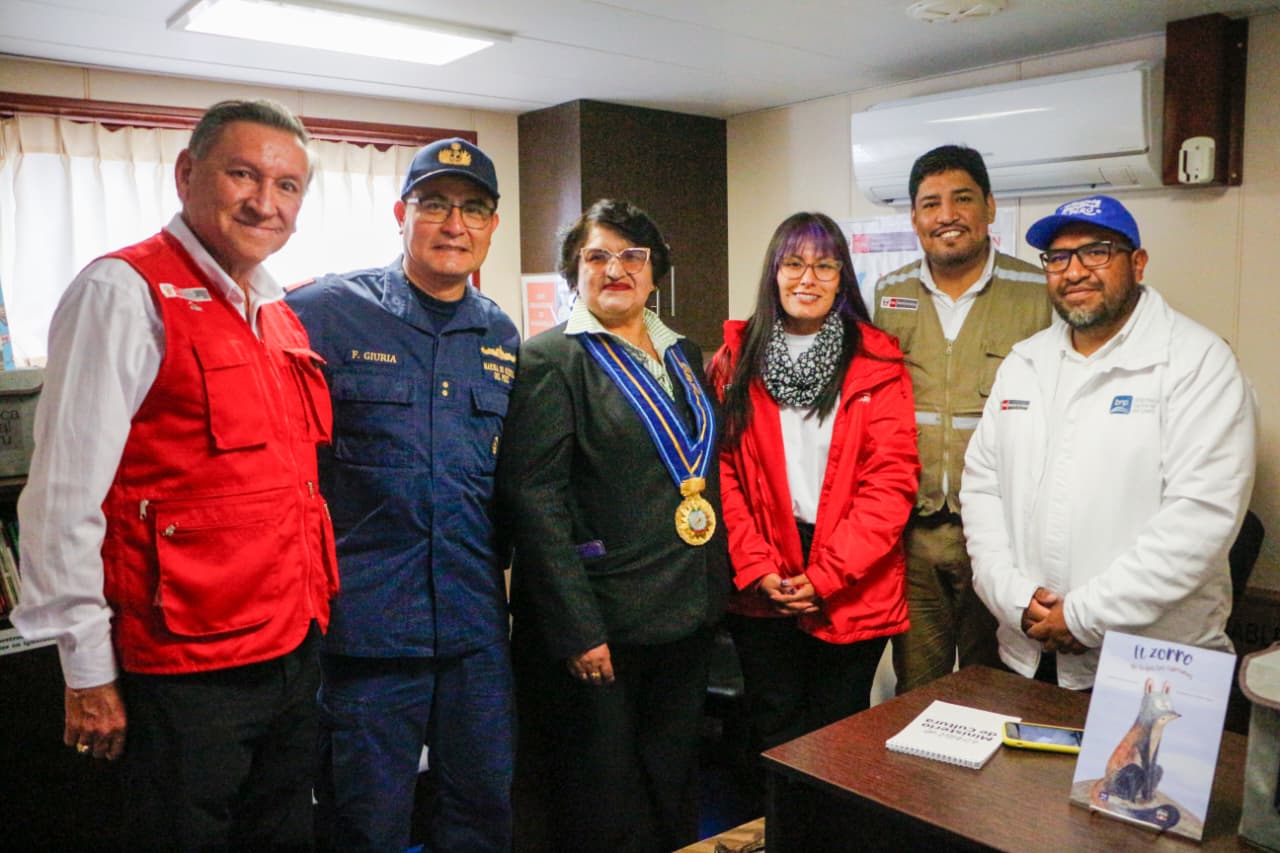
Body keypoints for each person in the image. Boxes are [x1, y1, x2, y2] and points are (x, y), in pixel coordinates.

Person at [11, 99, 338, 848]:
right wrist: (86, 670)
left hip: (289, 647)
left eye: (287, 186)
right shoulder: (121, 292)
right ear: (187, 174)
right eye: (243, 174)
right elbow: (62, 498)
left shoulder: (277, 309)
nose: (265, 201)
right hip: (186, 664)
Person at [286, 137, 517, 851]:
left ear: (492, 226)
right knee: (366, 825)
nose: (454, 224)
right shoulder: (325, 309)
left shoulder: (500, 333)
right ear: (400, 213)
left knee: (481, 814)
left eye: (473, 209)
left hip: (474, 631)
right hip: (367, 633)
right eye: (435, 204)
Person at [496, 199, 728, 853]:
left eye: (632, 256)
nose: (615, 269)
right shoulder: (551, 359)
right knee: (602, 798)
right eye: (597, 256)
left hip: (685, 611)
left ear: (656, 272)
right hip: (604, 625)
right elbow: (535, 502)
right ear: (575, 271)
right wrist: (579, 629)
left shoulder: (685, 353)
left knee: (670, 783)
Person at [961, 194, 1258, 690]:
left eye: (1096, 252)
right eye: (1059, 257)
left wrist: (1084, 615)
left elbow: (1201, 517)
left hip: (1152, 666)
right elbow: (982, 488)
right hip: (1029, 648)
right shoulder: (1024, 363)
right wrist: (1012, 596)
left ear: (1137, 263)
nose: (1074, 271)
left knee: (1141, 748)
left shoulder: (1197, 363)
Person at [709, 212, 918, 756]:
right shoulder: (736, 360)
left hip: (852, 574)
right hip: (764, 573)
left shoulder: (877, 361)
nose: (808, 279)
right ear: (774, 273)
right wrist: (756, 566)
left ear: (842, 277)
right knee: (772, 727)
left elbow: (890, 484)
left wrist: (826, 576)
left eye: (825, 266)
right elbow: (723, 475)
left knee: (840, 736)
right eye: (794, 264)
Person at [874, 144, 1052, 694]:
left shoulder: (1039, 294)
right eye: (931, 204)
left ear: (990, 207)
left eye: (963, 199)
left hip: (1002, 538)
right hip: (913, 536)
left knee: (993, 688)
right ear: (914, 217)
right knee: (916, 689)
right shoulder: (888, 294)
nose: (946, 215)